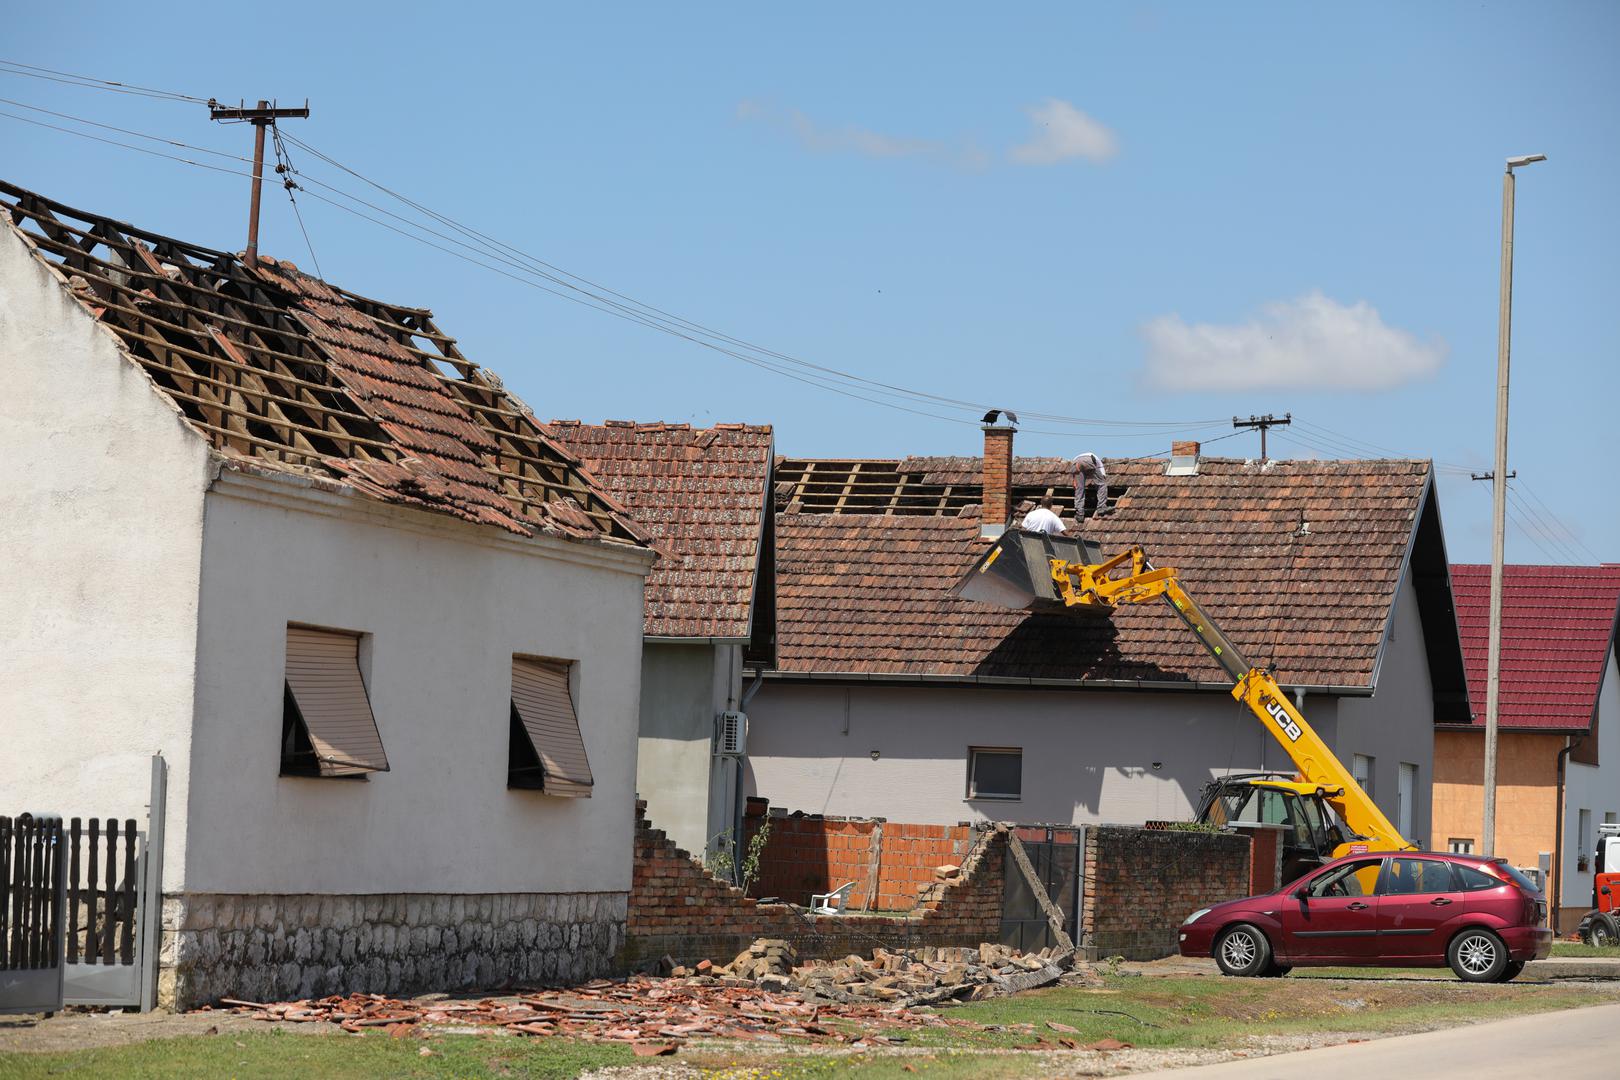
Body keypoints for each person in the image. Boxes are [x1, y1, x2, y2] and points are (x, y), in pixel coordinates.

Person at [1073, 452, 1109, 518]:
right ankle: (1101, 507)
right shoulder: (1099, 462)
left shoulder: (1081, 457)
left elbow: (1075, 484)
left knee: (1079, 489)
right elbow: (1103, 476)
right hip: (1087, 460)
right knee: (1102, 484)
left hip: (1075, 463)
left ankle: (1079, 513)